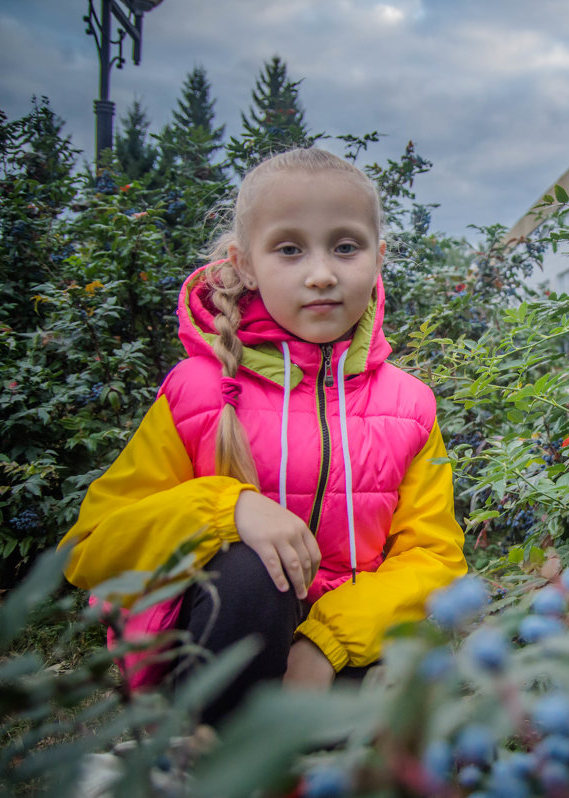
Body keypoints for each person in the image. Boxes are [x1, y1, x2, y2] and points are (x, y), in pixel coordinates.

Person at [59, 148, 467, 725]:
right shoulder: (196, 391)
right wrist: (227, 508)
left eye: (346, 246)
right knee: (251, 568)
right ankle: (204, 760)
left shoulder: (410, 407)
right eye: (289, 248)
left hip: (344, 652)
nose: (321, 272)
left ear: (379, 257)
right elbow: (89, 550)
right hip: (216, 662)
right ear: (244, 263)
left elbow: (434, 558)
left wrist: (326, 642)